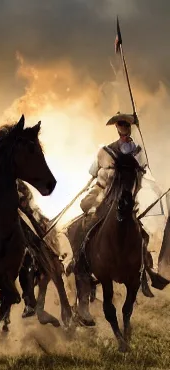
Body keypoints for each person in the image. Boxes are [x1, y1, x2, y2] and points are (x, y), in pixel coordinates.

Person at [72, 112, 168, 297]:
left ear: (130, 127)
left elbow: (143, 170)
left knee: (142, 235)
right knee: (84, 227)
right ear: (117, 127)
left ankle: (144, 272)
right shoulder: (105, 151)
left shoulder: (137, 151)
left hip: (127, 200)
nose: (124, 127)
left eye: (127, 124)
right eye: (121, 124)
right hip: (105, 197)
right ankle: (82, 265)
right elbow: (93, 171)